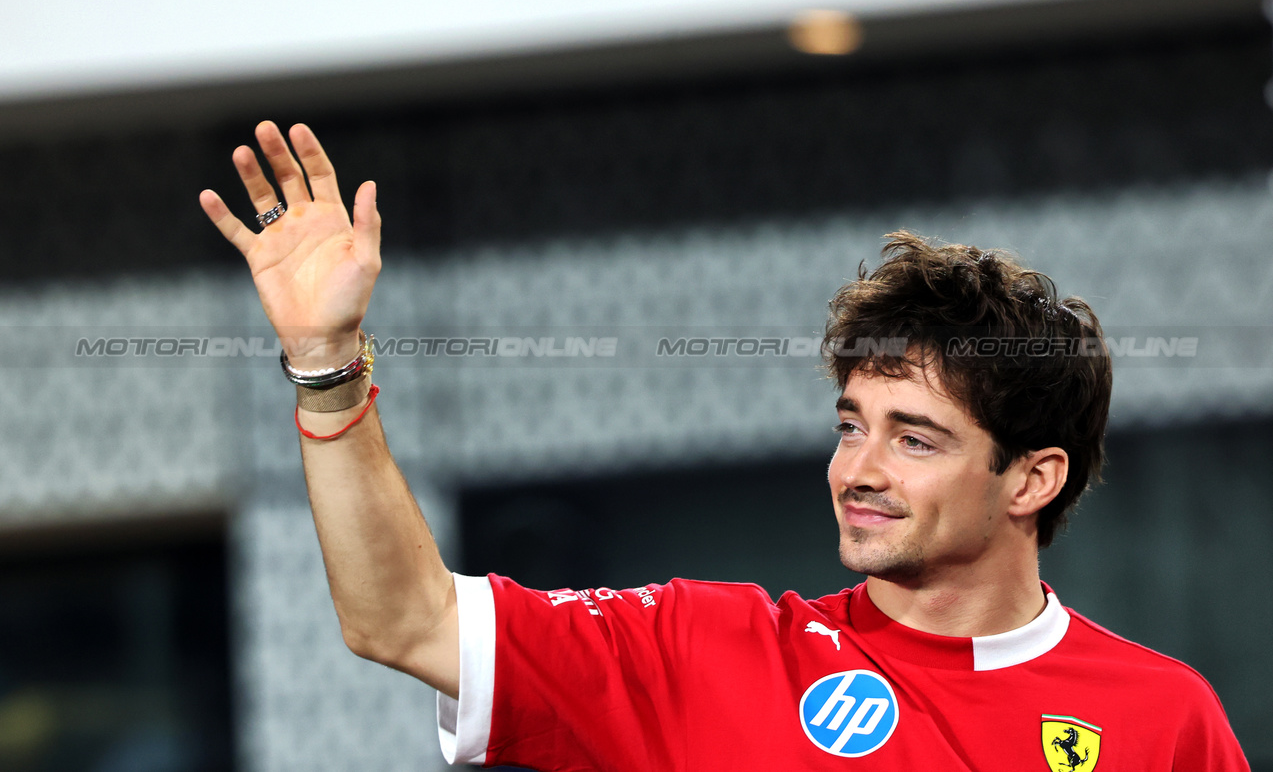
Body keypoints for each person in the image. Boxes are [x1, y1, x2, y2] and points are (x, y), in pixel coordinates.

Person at [201, 121, 1250, 771]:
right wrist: (328, 359)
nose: (858, 470)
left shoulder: (1162, 722)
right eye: (851, 426)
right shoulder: (702, 655)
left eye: (914, 438)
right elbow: (402, 617)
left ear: (1032, 476)